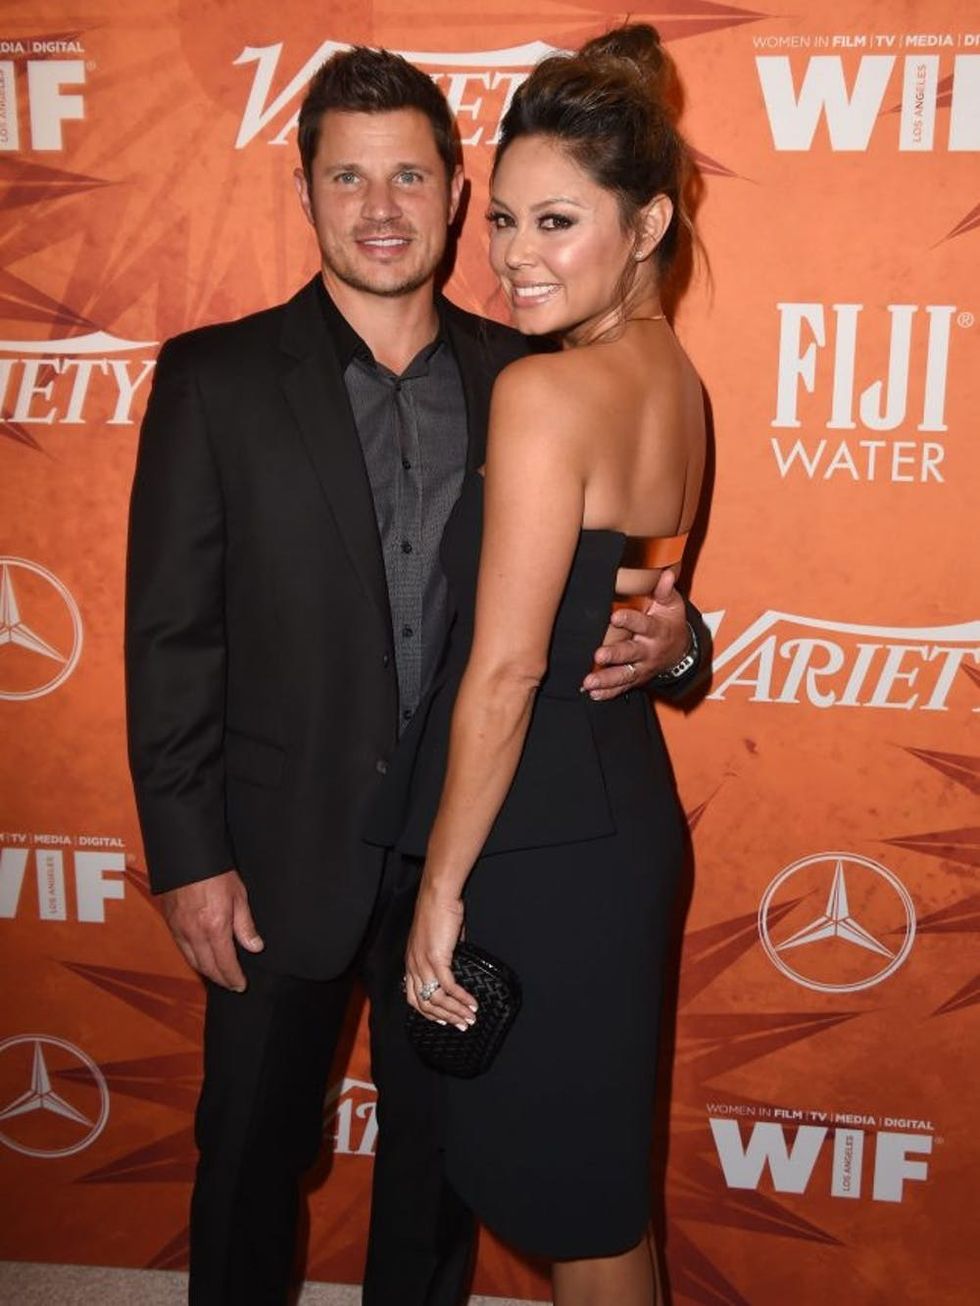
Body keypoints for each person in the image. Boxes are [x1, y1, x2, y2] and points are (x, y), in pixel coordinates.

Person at [125, 42, 702, 1306]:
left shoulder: (526, 368)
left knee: (439, 1181)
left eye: (409, 177)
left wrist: (679, 641)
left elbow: (601, 587)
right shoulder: (215, 378)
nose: (380, 208)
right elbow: (169, 635)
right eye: (347, 177)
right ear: (304, 191)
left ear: (451, 193)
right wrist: (188, 854)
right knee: (247, 1159)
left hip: (480, 855)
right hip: (280, 853)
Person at [368, 24, 704, 1306]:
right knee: (599, 1195)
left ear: (646, 221)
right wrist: (680, 640)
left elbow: (506, 674)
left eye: (555, 222)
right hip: (621, 819)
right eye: (503, 220)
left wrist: (441, 889)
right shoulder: (677, 384)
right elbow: (628, 610)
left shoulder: (544, 395)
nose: (514, 255)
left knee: (577, 1204)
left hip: (534, 842)